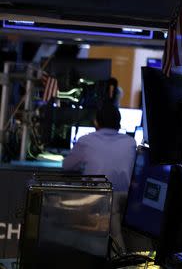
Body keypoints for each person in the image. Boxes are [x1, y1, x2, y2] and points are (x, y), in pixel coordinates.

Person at [63, 101, 137, 252]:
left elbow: (67, 167)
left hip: (97, 202)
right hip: (126, 203)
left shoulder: (86, 140)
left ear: (96, 121)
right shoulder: (131, 142)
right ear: (119, 122)